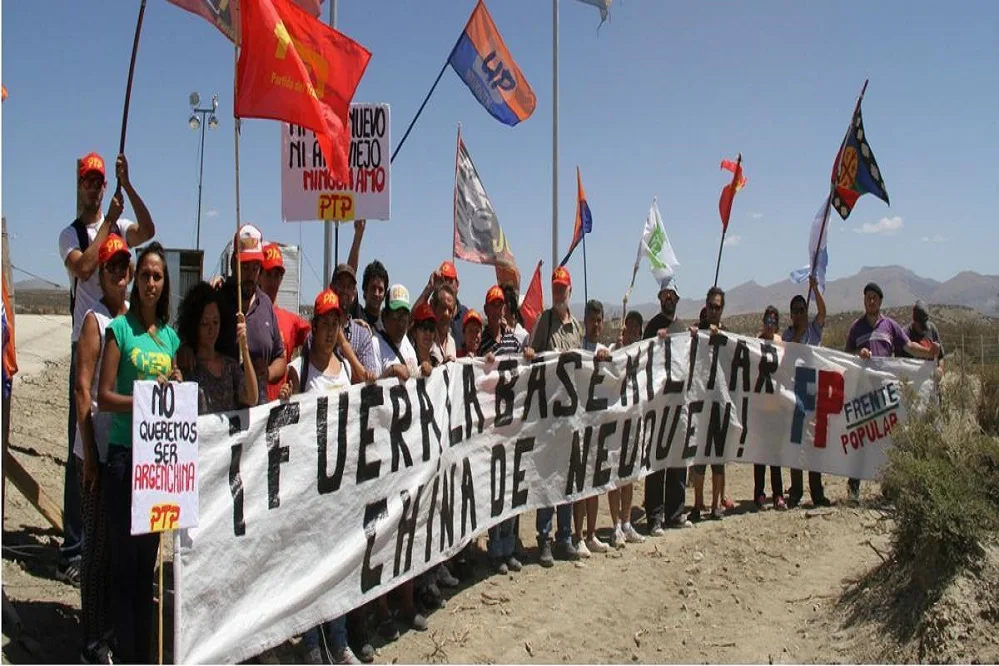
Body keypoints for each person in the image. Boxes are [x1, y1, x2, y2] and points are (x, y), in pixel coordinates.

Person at [57, 151, 155, 586]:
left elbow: (148, 230)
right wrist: (108, 227)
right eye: (89, 181)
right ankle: (74, 547)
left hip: (118, 335)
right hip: (88, 336)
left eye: (99, 181)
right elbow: (82, 266)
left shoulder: (118, 226)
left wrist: (128, 189)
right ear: (79, 185)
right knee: (81, 444)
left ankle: (105, 540)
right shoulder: (71, 233)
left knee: (114, 436)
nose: (94, 187)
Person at [97, 242, 181, 663]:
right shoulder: (120, 329)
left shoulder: (169, 337)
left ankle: (145, 655)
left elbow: (175, 392)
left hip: (156, 466)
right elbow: (104, 395)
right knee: (124, 565)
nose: (151, 282)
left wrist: (176, 383)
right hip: (123, 459)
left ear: (165, 285)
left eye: (158, 276)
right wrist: (145, 401)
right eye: (145, 275)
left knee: (148, 566)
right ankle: (124, 650)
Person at [73, 234, 131, 663]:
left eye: (123, 267)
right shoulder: (94, 321)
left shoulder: (129, 320)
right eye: (112, 268)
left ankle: (109, 628)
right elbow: (82, 388)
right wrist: (90, 455)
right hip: (95, 449)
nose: (120, 275)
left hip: (123, 450)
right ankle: (91, 637)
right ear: (102, 275)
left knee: (116, 546)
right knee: (94, 549)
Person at [844, 282, 939, 502]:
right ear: (864, 300)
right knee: (861, 440)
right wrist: (859, 352)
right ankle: (854, 489)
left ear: (880, 301)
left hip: (885, 394)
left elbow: (908, 347)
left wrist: (928, 352)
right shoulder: (855, 327)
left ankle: (890, 487)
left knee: (888, 439)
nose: (870, 300)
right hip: (863, 394)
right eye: (867, 297)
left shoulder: (890, 326)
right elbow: (846, 356)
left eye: (874, 297)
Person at [180, 225, 285, 406]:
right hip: (220, 414)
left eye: (255, 268)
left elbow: (280, 358)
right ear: (232, 265)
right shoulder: (217, 298)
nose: (250, 275)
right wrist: (185, 349)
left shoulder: (266, 304)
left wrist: (268, 372)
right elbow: (188, 338)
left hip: (258, 416)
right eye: (244, 267)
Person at [478, 286, 536, 573]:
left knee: (513, 487)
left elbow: (523, 370)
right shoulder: (482, 342)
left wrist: (528, 355)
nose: (498, 310)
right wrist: (484, 363)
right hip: (493, 427)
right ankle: (496, 549)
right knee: (496, 489)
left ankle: (510, 545)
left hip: (514, 425)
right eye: (493, 305)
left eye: (501, 305)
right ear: (487, 309)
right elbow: (475, 373)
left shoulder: (513, 339)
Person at [530, 266, 583, 565]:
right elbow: (533, 357)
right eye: (555, 288)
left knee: (568, 477)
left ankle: (565, 536)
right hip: (548, 415)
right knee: (547, 476)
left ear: (570, 290)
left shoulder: (575, 327)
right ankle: (544, 538)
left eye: (562, 288)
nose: (558, 292)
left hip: (571, 416)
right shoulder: (544, 322)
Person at [642, 279, 692, 534]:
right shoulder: (652, 327)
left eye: (672, 295)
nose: (668, 299)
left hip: (679, 402)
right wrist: (655, 343)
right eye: (665, 295)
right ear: (660, 298)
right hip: (659, 404)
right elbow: (642, 359)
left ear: (677, 299)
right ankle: (654, 517)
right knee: (657, 459)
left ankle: (676, 512)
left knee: (677, 458)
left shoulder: (682, 327)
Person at [784, 276, 832, 508]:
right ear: (791, 314)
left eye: (802, 309)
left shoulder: (814, 330)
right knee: (796, 444)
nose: (800, 314)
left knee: (813, 444)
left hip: (813, 388)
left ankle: (817, 492)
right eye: (796, 311)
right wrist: (796, 333)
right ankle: (796, 491)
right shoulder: (787, 335)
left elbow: (823, 313)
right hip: (794, 391)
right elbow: (784, 356)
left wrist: (815, 289)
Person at [177, 282, 258, 414]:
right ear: (194, 325)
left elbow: (252, 397)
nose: (211, 329)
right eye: (205, 323)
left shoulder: (230, 366)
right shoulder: (186, 365)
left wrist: (245, 348)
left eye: (215, 322)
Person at [607, 309, 647, 547]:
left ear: (640, 332)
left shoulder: (645, 353)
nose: (632, 331)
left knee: (629, 475)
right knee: (614, 476)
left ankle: (626, 523)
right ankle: (614, 527)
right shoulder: (615, 350)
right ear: (624, 329)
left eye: (636, 328)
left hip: (635, 421)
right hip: (615, 422)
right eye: (629, 326)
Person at [689, 286, 728, 521]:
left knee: (718, 457)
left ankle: (716, 505)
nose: (714, 310)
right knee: (699, 455)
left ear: (722, 309)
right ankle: (697, 504)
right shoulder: (698, 330)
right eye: (711, 306)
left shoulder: (728, 335)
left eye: (718, 307)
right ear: (706, 305)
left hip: (720, 402)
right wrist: (698, 334)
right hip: (700, 400)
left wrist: (720, 334)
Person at [259, 243, 311, 402]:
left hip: (280, 406)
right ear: (259, 275)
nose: (273, 281)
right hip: (251, 409)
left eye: (277, 275)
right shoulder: (247, 315)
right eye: (268, 274)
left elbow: (324, 335)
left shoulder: (292, 321)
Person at [754, 306, 787, 511]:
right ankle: (759, 493)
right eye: (768, 319)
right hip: (760, 406)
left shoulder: (780, 342)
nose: (770, 323)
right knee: (760, 454)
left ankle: (778, 494)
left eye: (774, 320)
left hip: (777, 406)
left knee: (775, 454)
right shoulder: (755, 343)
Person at [330, 263, 379, 376]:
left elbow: (369, 380)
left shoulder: (363, 335)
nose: (345, 290)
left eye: (350, 286)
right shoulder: (318, 331)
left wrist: (342, 343)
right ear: (331, 287)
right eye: (341, 285)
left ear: (354, 293)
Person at [415, 261, 469, 351]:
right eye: (443, 280)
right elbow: (412, 319)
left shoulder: (466, 315)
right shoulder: (430, 312)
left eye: (450, 281)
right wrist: (429, 287)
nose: (446, 284)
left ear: (457, 284)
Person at [900, 300, 946, 379]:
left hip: (931, 380)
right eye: (921, 325)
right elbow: (899, 362)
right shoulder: (905, 334)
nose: (923, 329)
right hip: (913, 380)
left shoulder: (932, 328)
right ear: (915, 320)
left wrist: (940, 368)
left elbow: (941, 357)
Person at [429, 284, 457, 365]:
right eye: (443, 308)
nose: (446, 314)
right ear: (433, 307)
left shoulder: (452, 342)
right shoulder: (426, 338)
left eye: (450, 310)